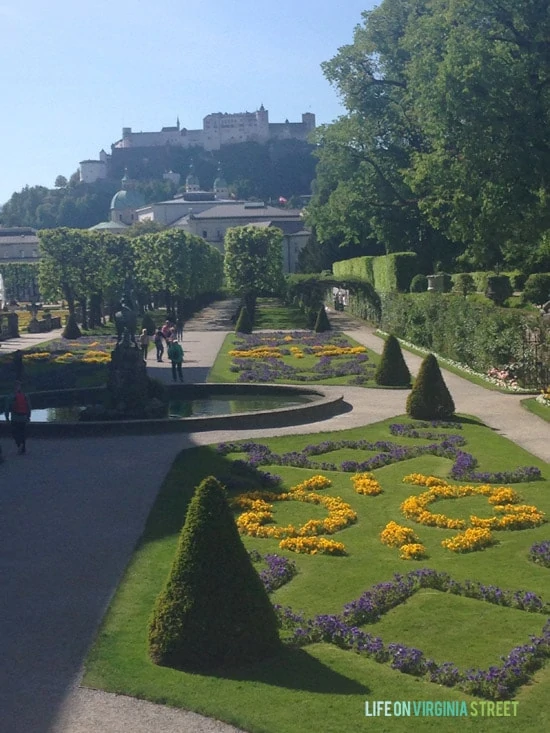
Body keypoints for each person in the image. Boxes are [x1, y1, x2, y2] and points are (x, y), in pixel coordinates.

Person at [4, 381, 31, 455]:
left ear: (13, 387)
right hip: (23, 417)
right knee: (22, 432)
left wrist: (7, 418)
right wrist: (28, 416)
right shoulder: (25, 395)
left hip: (15, 418)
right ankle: (23, 449)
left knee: (15, 433)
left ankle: (19, 444)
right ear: (20, 387)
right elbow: (29, 407)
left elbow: (7, 408)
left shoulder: (10, 396)